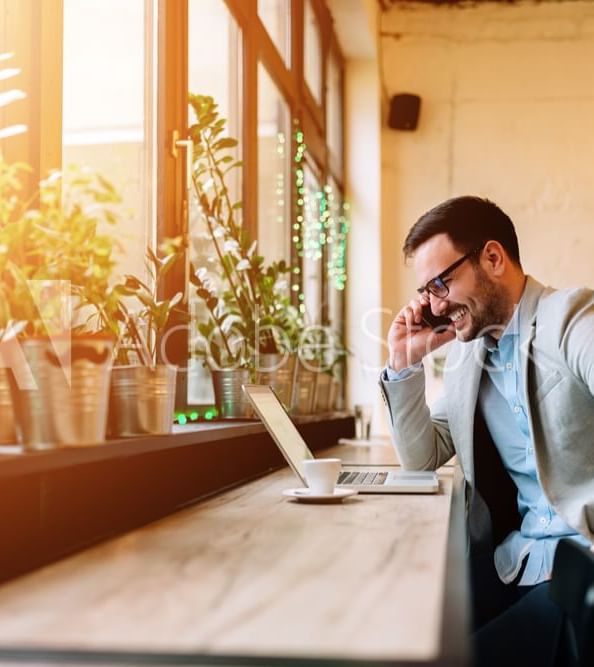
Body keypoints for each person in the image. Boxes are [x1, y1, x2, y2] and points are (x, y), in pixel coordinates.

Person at [378, 196, 594, 667]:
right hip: (514, 563)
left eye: (441, 283)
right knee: (404, 633)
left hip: (581, 567)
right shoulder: (465, 357)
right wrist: (404, 363)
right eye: (426, 292)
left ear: (493, 258)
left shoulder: (569, 318)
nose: (434, 305)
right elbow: (422, 457)